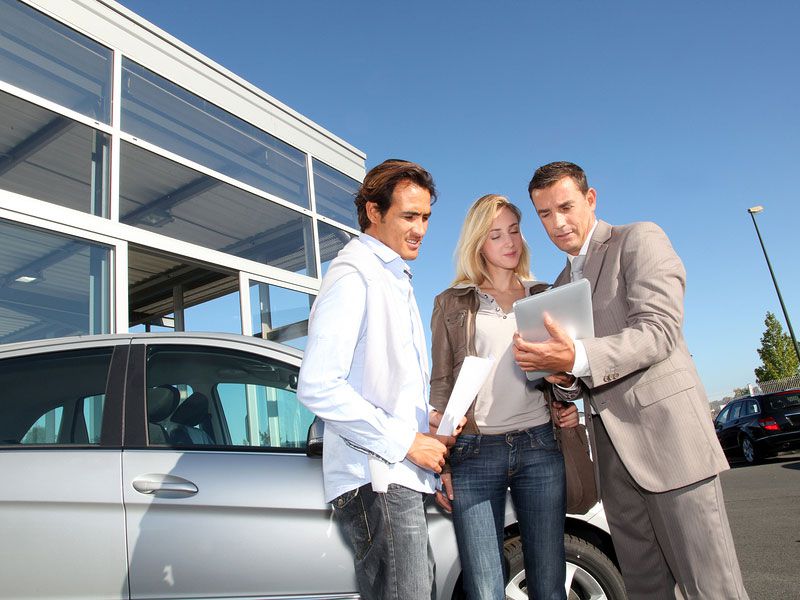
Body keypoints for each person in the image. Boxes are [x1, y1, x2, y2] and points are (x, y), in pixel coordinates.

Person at [514, 161, 748, 599]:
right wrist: (561, 373)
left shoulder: (639, 239)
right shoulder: (560, 285)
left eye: (565, 206)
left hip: (671, 445)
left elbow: (658, 331)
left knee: (711, 588)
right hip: (612, 460)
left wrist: (578, 355)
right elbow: (577, 379)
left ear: (591, 199)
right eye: (544, 214)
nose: (557, 222)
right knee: (644, 589)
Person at [297, 159, 456, 600]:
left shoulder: (393, 277)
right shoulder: (354, 275)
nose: (421, 229)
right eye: (409, 216)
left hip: (398, 477)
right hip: (378, 479)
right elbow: (317, 384)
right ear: (373, 211)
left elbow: (388, 389)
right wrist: (407, 442)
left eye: (425, 217)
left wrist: (431, 428)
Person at [430, 194, 580, 600]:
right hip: (474, 453)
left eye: (514, 230)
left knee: (549, 581)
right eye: (496, 234)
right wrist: (441, 460)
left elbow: (571, 374)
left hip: (539, 446)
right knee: (484, 586)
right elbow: (441, 383)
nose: (509, 242)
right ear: (479, 243)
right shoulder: (451, 303)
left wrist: (567, 398)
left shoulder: (545, 294)